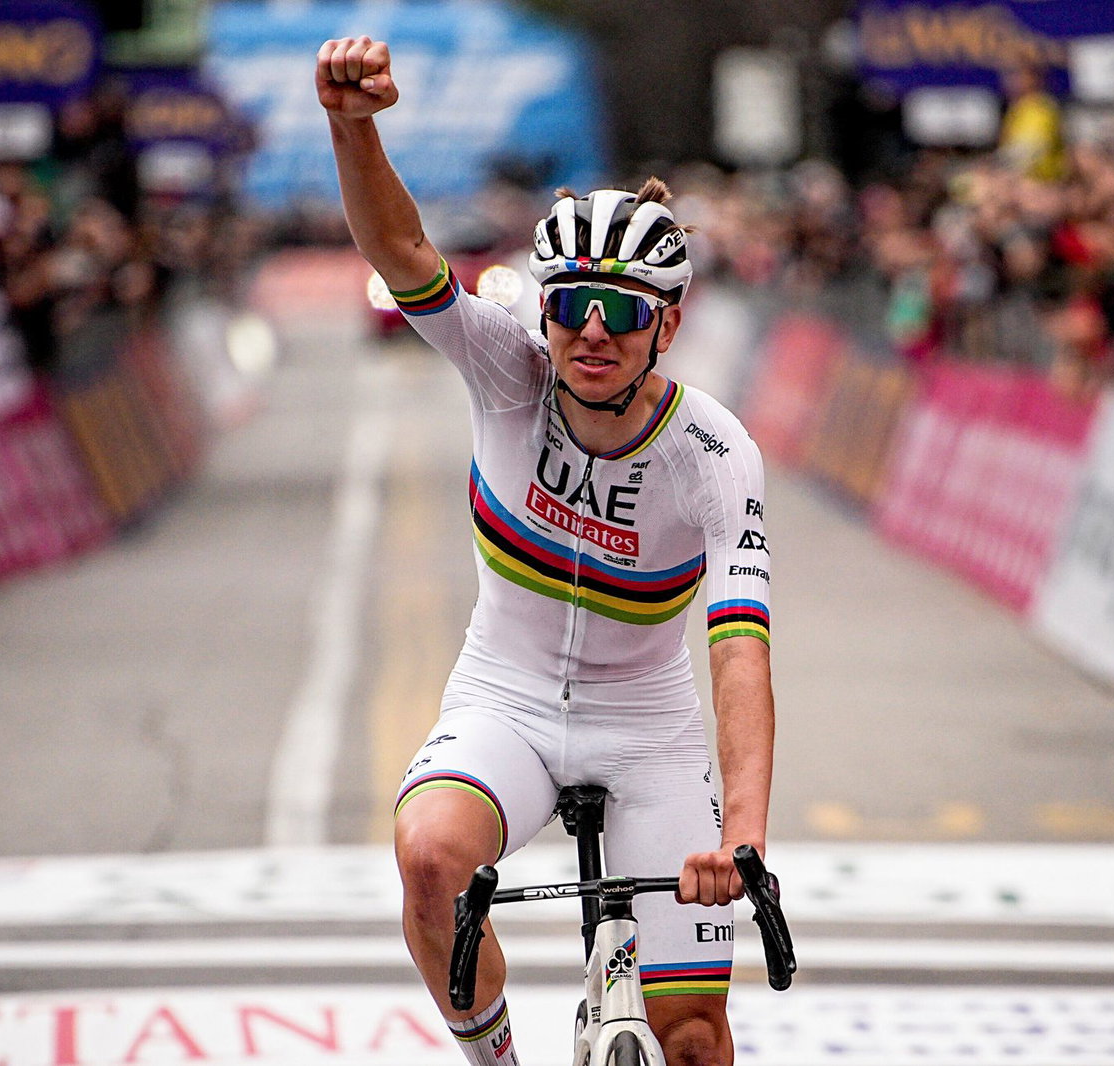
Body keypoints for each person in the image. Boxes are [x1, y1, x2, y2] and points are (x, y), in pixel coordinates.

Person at [317, 35, 776, 1066]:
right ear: (544, 311)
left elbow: (740, 649)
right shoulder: (506, 367)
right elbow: (401, 250)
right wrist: (353, 127)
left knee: (692, 1037)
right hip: (507, 700)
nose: (592, 333)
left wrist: (742, 835)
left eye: (622, 313)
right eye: (570, 307)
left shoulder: (714, 453)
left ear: (667, 325)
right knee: (428, 860)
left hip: (647, 727)